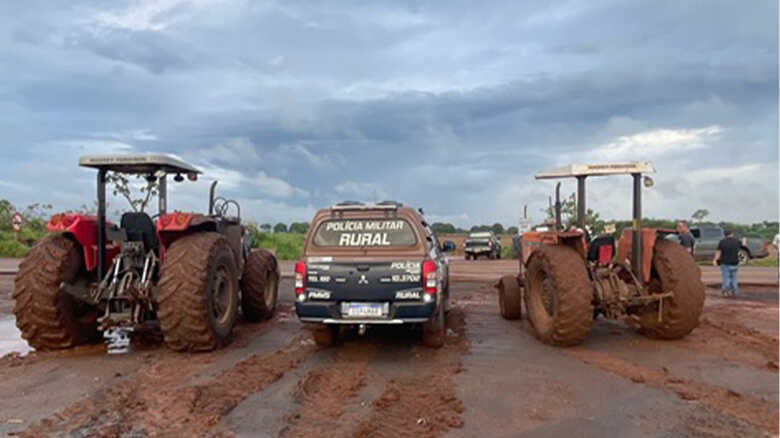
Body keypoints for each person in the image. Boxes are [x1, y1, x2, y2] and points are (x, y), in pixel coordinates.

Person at [713, 230, 741, 297]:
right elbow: (742, 247)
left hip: (725, 263)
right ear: (732, 234)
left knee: (726, 278)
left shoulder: (722, 242)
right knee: (734, 278)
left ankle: (725, 292)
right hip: (735, 263)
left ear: (724, 234)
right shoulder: (737, 241)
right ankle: (735, 292)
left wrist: (715, 260)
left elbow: (718, 252)